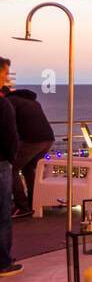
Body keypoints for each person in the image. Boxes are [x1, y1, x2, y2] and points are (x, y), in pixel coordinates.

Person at [0, 58, 54, 218]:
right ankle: (33, 203)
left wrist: (10, 154)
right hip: (48, 139)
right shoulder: (29, 101)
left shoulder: (9, 102)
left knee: (12, 168)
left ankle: (21, 206)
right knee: (29, 168)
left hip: (33, 141)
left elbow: (9, 128)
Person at [0, 88, 20, 276]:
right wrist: (11, 158)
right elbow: (10, 135)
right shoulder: (4, 105)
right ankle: (3, 262)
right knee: (3, 212)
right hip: (1, 161)